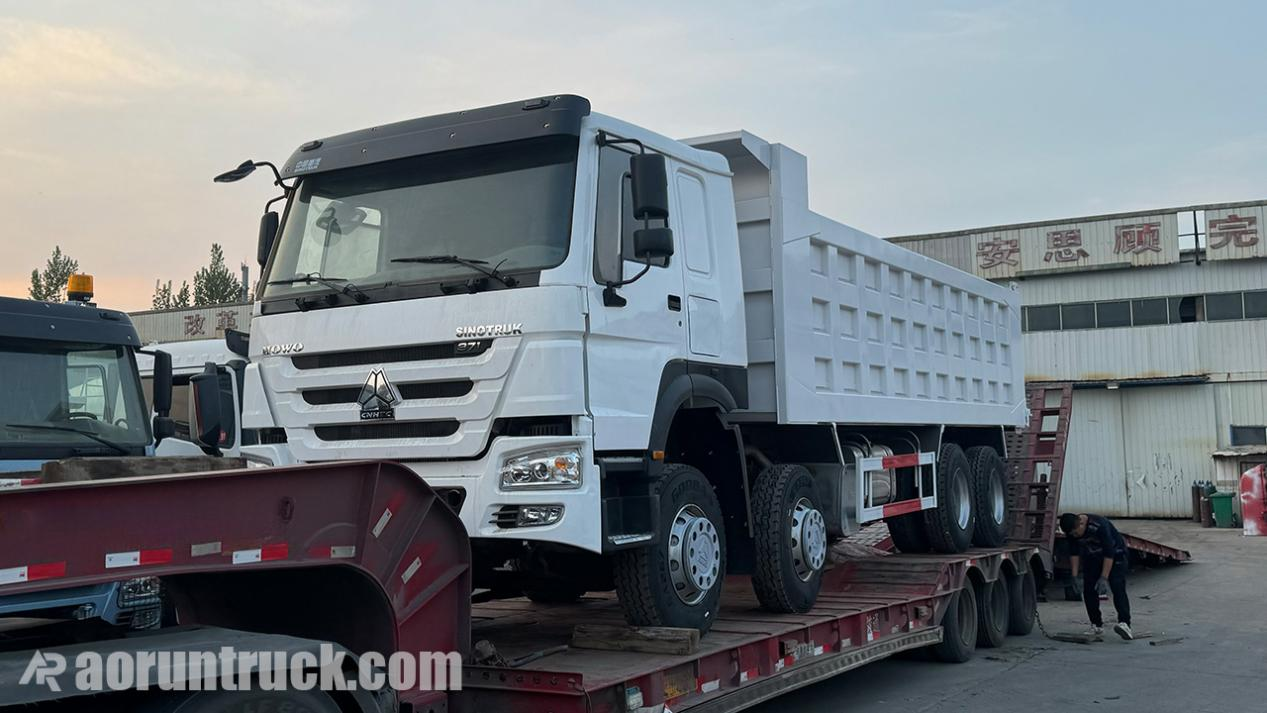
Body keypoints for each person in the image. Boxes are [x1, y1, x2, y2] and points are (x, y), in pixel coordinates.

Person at [1058, 512, 1133, 640]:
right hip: (1093, 557)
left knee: (1117, 586)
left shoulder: (1099, 525)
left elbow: (1109, 553)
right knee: (1089, 590)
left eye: (1076, 533)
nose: (1075, 536)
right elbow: (1074, 553)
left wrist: (1104, 578)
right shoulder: (1072, 531)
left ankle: (1125, 624)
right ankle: (1096, 625)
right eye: (1072, 535)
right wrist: (1074, 576)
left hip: (1116, 555)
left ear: (1081, 523)